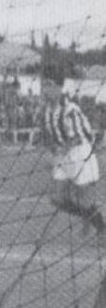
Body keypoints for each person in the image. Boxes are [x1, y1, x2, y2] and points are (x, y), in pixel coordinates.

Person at [40, 81, 105, 237]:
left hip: (80, 154)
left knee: (84, 200)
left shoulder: (70, 109)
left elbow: (76, 137)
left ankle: (102, 228)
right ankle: (91, 220)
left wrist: (58, 155)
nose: (46, 90)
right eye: (45, 86)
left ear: (58, 88)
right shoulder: (47, 111)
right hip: (63, 155)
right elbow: (50, 137)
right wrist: (51, 154)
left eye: (50, 86)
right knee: (56, 197)